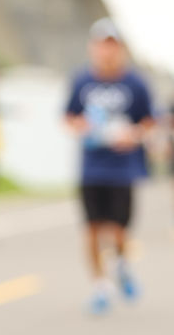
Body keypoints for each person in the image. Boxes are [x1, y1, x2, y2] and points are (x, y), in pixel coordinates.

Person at [65, 18, 154, 314]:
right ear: (93, 48)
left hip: (122, 169)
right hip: (91, 168)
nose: (107, 51)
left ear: (120, 49)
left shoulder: (135, 83)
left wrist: (134, 135)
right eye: (102, 45)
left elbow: (149, 121)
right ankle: (100, 286)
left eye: (112, 45)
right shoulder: (82, 81)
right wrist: (82, 127)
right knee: (92, 229)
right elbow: (68, 117)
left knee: (118, 231)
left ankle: (122, 265)